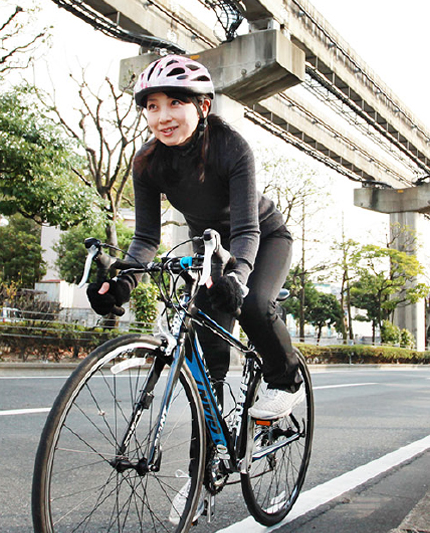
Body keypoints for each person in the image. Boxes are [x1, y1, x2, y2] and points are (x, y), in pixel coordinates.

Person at [87, 53, 303, 421]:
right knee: (207, 355)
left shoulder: (232, 148)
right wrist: (125, 281)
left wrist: (238, 277)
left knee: (252, 305)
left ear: (202, 105)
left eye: (175, 102)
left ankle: (285, 381)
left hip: (263, 238)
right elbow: (145, 239)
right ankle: (206, 465)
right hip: (211, 250)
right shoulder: (147, 162)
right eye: (152, 106)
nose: (163, 116)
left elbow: (247, 229)